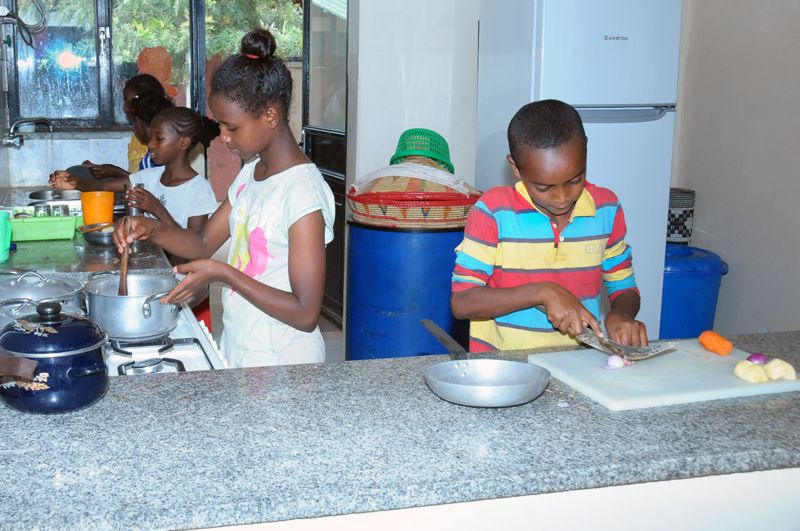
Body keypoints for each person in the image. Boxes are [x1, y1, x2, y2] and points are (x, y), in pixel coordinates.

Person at [114, 28, 335, 368]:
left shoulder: (302, 192)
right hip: (243, 346)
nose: (224, 138)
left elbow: (305, 313)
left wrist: (223, 272)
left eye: (232, 128)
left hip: (285, 360)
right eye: (221, 127)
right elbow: (203, 241)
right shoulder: (252, 173)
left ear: (271, 117)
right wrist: (148, 227)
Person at [450, 99, 647, 352]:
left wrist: (621, 315)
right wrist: (543, 292)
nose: (562, 198)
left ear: (586, 150)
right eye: (543, 187)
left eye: (575, 180)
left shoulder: (606, 208)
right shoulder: (494, 212)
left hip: (579, 363)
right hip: (505, 368)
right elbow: (463, 301)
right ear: (515, 167)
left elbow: (623, 284)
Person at [51, 106, 218, 233]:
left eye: (159, 138)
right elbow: (103, 187)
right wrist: (74, 183)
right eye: (151, 136)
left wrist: (156, 208)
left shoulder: (198, 190)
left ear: (183, 143)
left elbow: (193, 247)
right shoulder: (150, 177)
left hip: (180, 276)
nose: (150, 144)